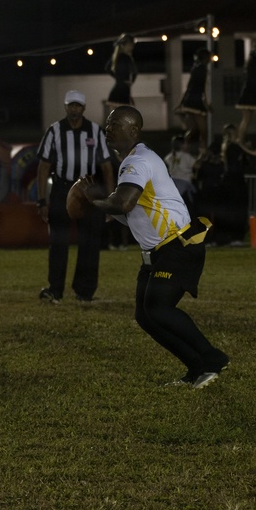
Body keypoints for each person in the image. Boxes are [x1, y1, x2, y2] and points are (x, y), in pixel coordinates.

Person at [79, 105, 229, 389]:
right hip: (158, 251)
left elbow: (122, 203)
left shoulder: (139, 160)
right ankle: (197, 368)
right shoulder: (135, 161)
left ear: (133, 130)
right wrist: (100, 205)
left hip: (178, 246)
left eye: (115, 124)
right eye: (107, 124)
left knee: (159, 309)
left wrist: (91, 198)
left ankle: (213, 357)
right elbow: (131, 213)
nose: (108, 129)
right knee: (145, 316)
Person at [35, 89, 114, 304]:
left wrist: (110, 200)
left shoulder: (95, 132)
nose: (74, 109)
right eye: (71, 105)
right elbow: (43, 167)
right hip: (62, 188)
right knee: (58, 241)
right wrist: (42, 199)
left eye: (78, 105)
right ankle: (55, 290)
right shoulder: (55, 131)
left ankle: (85, 291)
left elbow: (106, 167)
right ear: (65, 106)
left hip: (88, 190)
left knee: (90, 242)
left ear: (84, 108)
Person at [219, 124, 256, 246]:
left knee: (234, 209)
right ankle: (235, 237)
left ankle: (234, 236)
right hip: (234, 181)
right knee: (236, 209)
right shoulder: (232, 147)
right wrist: (245, 147)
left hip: (233, 181)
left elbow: (247, 163)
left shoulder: (228, 147)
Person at [175, 48, 213, 150]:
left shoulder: (195, 68)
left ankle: (183, 147)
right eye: (209, 57)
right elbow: (203, 89)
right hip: (196, 102)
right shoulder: (203, 69)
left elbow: (188, 87)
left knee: (193, 129)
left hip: (189, 102)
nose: (210, 59)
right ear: (205, 58)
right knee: (203, 130)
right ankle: (203, 150)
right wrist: (207, 105)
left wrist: (181, 103)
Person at [236, 43, 256, 153]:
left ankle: (240, 141)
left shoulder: (248, 61)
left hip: (246, 93)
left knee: (245, 120)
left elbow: (245, 78)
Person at [163, 135, 197, 213]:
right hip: (184, 185)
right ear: (182, 145)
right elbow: (197, 165)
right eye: (186, 143)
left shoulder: (169, 156)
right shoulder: (186, 156)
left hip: (173, 185)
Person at [104, 33, 137, 111]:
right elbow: (135, 72)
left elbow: (107, 68)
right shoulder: (126, 58)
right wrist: (130, 81)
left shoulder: (118, 57)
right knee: (122, 116)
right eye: (131, 45)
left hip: (120, 91)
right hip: (122, 91)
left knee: (117, 117)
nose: (132, 47)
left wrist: (118, 79)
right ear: (124, 45)